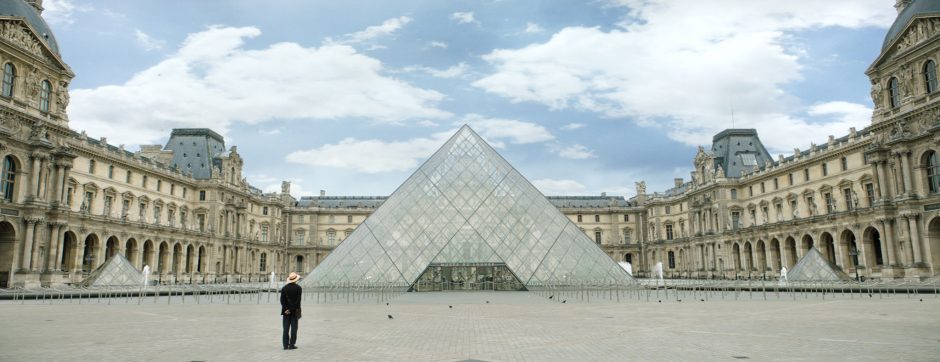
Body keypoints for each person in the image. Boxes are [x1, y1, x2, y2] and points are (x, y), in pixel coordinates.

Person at [280, 272, 302, 350]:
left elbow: (282, 301)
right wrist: (291, 309)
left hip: (286, 312)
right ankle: (292, 344)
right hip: (294, 311)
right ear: (296, 279)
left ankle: (285, 345)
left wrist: (286, 309)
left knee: (285, 329)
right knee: (294, 329)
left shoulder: (284, 288)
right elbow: (298, 302)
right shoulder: (299, 288)